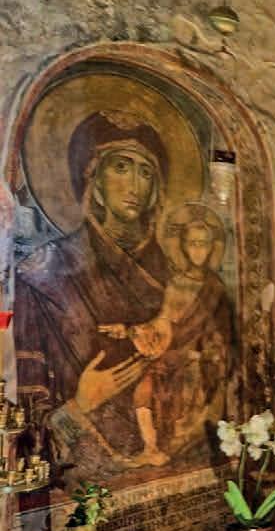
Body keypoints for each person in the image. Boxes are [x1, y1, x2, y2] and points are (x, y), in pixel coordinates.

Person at [15, 110, 170, 478]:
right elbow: (26, 435)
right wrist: (81, 404)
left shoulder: (171, 276)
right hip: (80, 484)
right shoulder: (43, 273)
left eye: (145, 172)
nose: (134, 185)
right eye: (120, 167)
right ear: (94, 180)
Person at [98, 211, 233, 467]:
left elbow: (223, 334)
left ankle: (180, 446)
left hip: (200, 360)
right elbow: (162, 321)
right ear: (183, 246)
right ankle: (150, 449)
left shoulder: (216, 288)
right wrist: (129, 330)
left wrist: (203, 353)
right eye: (192, 243)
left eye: (203, 243)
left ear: (211, 247)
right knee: (145, 387)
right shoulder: (176, 283)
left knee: (187, 391)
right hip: (172, 354)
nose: (198, 250)